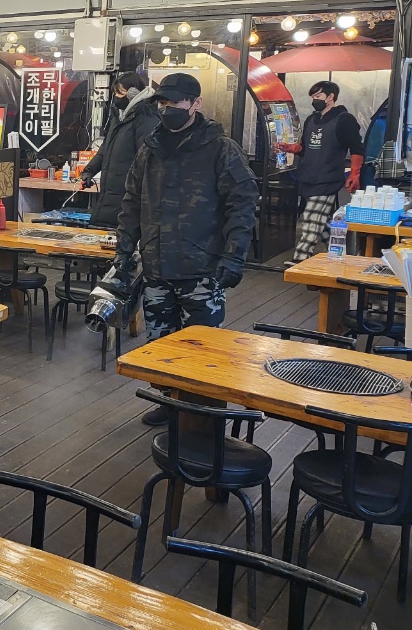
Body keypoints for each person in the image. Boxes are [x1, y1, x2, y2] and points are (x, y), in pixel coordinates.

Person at [115, 72, 258, 425]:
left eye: (175, 102)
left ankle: (203, 413)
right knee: (159, 345)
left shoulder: (221, 149)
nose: (167, 109)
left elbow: (242, 204)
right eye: (162, 102)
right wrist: (124, 249)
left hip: (202, 267)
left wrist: (234, 255)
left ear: (196, 104)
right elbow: (131, 201)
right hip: (156, 266)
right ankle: (170, 401)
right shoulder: (149, 149)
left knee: (204, 348)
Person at [276, 80, 363, 265]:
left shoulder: (345, 120)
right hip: (308, 177)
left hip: (328, 178)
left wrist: (355, 174)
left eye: (318, 96)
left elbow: (357, 148)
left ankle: (300, 258)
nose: (314, 100)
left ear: (330, 97)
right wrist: (289, 148)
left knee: (311, 218)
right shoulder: (311, 120)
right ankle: (339, 252)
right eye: (313, 96)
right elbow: (304, 148)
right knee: (320, 221)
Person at [81, 72, 159, 228]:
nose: (116, 98)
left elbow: (146, 159)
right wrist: (89, 171)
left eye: (120, 93)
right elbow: (105, 148)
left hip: (128, 196)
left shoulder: (146, 118)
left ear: (133, 92)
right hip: (110, 193)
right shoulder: (118, 117)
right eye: (114, 93)